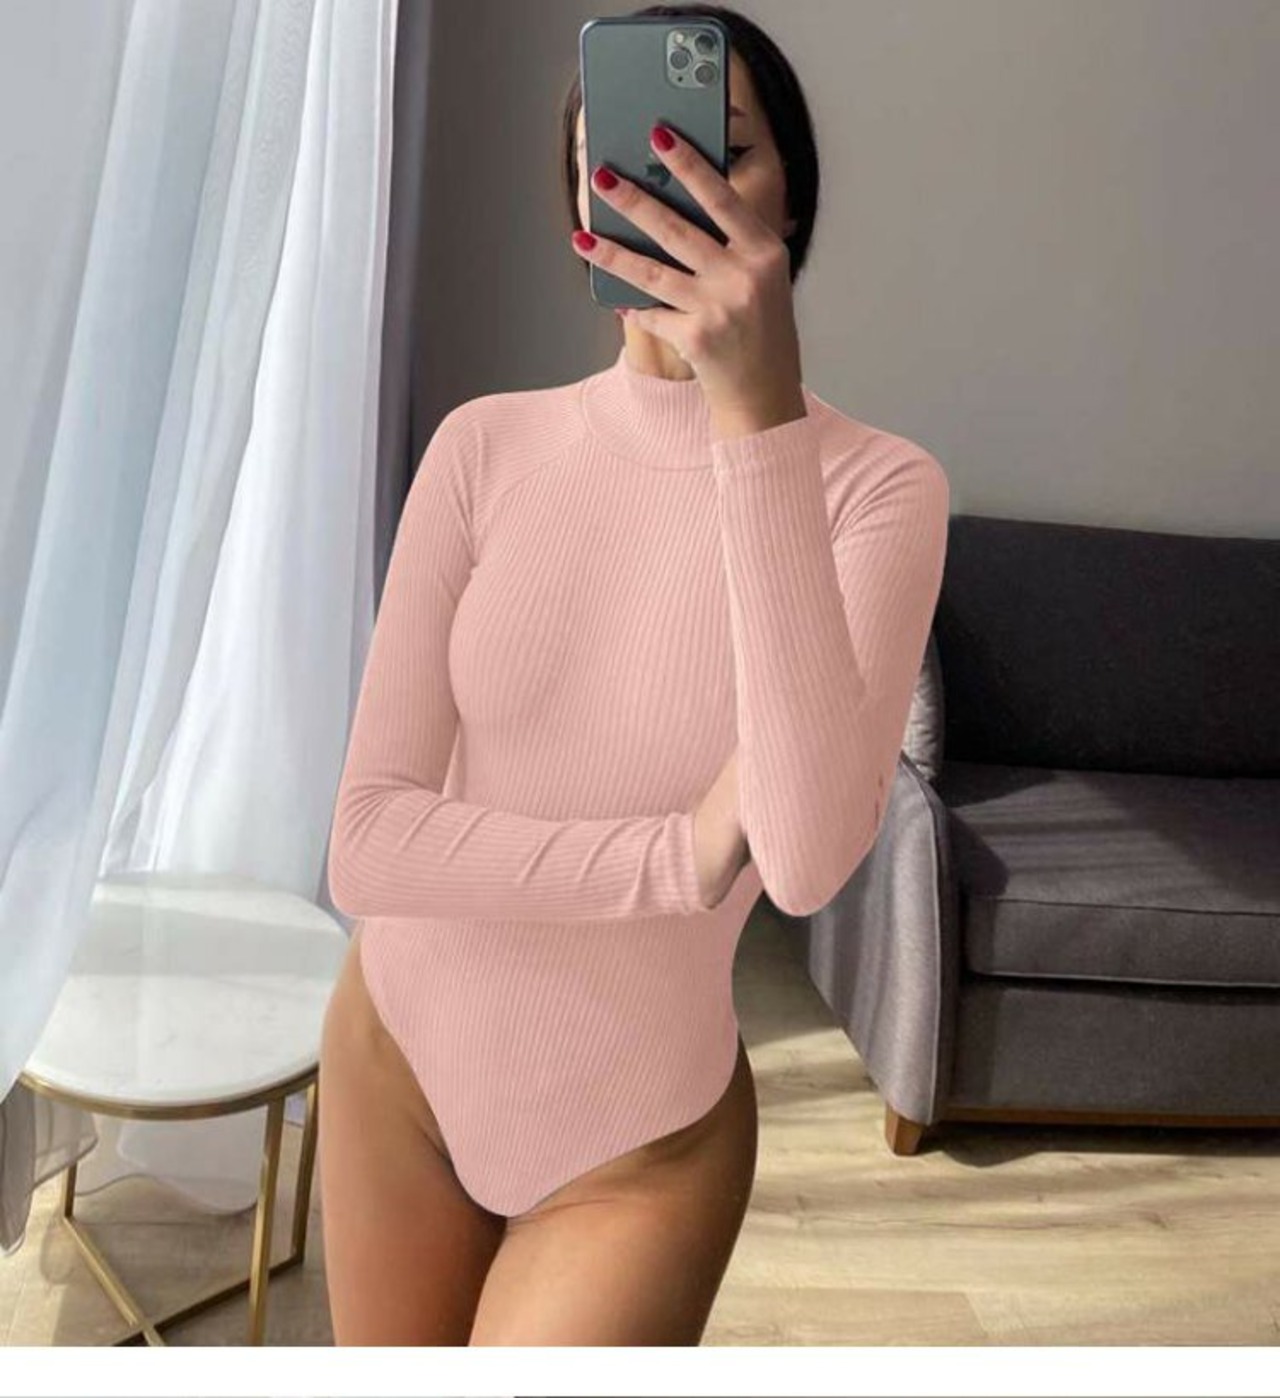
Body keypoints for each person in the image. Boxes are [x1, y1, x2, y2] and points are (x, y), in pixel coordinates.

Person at [317, 2, 949, 1346]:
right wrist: (669, 857)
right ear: (582, 218)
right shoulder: (482, 448)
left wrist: (756, 418)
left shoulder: (880, 491)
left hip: (636, 1149)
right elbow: (366, 844)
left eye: (726, 152)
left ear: (792, 202)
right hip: (395, 1062)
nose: (682, 192)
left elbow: (803, 861)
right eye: (634, 160)